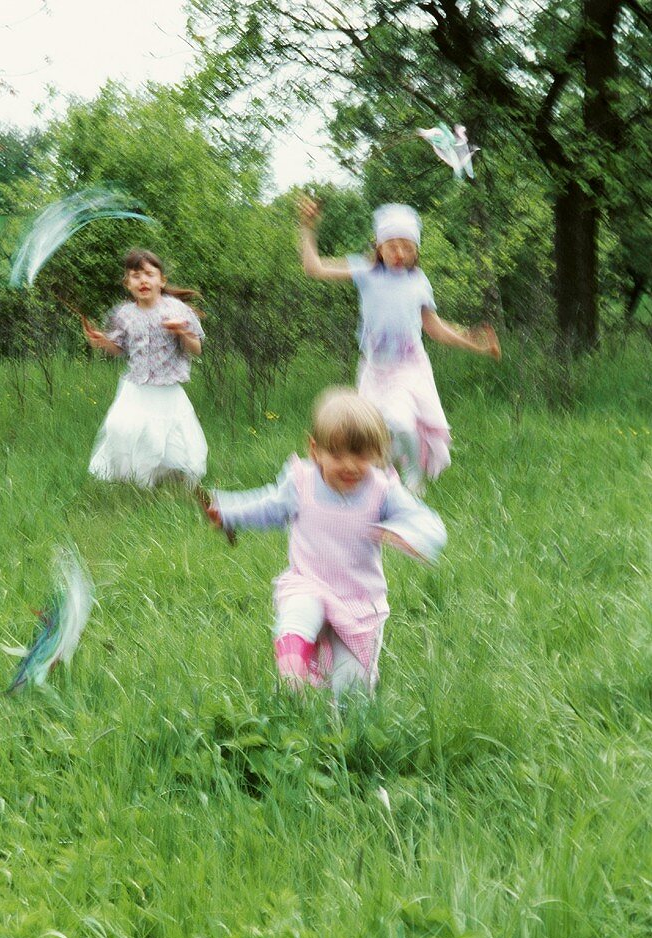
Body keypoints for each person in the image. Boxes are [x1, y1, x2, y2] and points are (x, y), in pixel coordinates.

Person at [206, 388, 446, 698]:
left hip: (358, 602)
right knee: (299, 611)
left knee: (351, 691)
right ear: (315, 450)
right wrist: (227, 511)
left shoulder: (382, 490)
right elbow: (267, 505)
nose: (349, 465)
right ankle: (294, 674)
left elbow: (429, 523)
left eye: (360, 455)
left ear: (377, 452)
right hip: (310, 583)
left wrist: (408, 534)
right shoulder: (301, 483)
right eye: (337, 454)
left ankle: (348, 736)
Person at [299, 197, 501, 490]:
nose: (399, 253)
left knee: (401, 422)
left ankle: (415, 477)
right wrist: (308, 228)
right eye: (392, 245)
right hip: (374, 369)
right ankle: (382, 487)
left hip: (408, 368)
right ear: (378, 247)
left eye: (407, 247)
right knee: (371, 435)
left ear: (416, 250)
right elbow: (314, 268)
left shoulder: (418, 281)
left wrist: (474, 344)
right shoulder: (366, 272)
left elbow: (434, 328)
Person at [83, 248, 207, 487]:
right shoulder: (124, 314)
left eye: (149, 274)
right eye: (136, 276)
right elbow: (119, 348)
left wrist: (182, 332)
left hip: (167, 390)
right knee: (119, 427)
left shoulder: (177, 310)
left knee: (166, 441)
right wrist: (102, 342)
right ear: (127, 283)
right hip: (136, 387)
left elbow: (197, 348)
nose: (143, 280)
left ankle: (164, 479)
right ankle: (134, 481)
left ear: (161, 281)